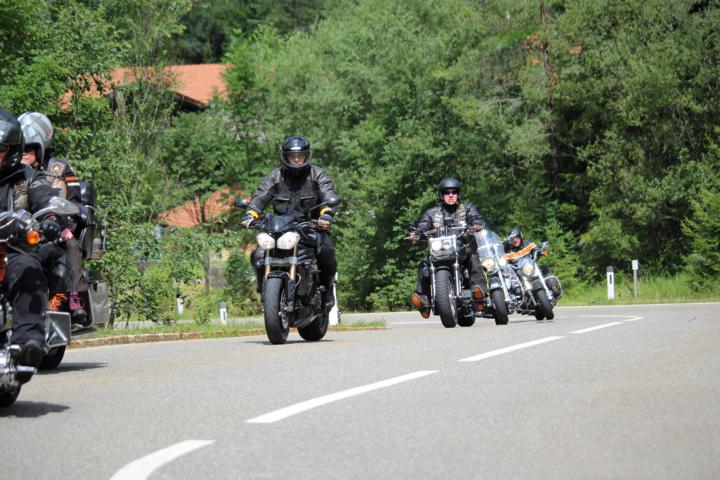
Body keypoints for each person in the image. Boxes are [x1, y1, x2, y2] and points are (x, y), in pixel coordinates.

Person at [241, 135, 339, 307]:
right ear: (285, 157)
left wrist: (326, 215)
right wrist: (251, 213)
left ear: (306, 155)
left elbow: (328, 194)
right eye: (292, 156)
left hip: (311, 228)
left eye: (300, 155)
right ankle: (265, 289)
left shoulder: (317, 174)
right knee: (257, 255)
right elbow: (261, 196)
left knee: (327, 251)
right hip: (281, 230)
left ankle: (328, 290)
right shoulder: (275, 176)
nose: (296, 159)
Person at [0, 109, 62, 380]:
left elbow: (45, 198)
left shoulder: (25, 177)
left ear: (13, 150)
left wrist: (50, 218)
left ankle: (28, 344)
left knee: (29, 270)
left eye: (0, 149)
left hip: (11, 249)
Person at [18, 111, 88, 325]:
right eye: (21, 148)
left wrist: (64, 226)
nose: (24, 153)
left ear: (41, 147)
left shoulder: (59, 168)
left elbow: (75, 203)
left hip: (55, 227)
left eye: (29, 149)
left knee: (71, 245)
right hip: (20, 228)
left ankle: (72, 297)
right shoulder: (13, 172)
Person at [409, 177, 486, 318]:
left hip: (461, 247)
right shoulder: (432, 213)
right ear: (441, 195)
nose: (450, 195)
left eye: (453, 192)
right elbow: (423, 225)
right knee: (424, 264)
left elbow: (475, 217)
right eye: (447, 192)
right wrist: (416, 233)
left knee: (473, 258)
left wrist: (476, 224)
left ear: (458, 194)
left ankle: (478, 293)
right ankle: (424, 300)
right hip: (439, 250)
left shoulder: (467, 209)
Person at [503, 227, 560, 295]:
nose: (515, 240)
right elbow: (502, 260)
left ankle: (553, 287)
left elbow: (536, 249)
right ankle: (516, 292)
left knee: (544, 268)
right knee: (509, 277)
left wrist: (541, 252)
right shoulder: (507, 250)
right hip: (518, 273)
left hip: (531, 267)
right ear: (509, 240)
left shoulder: (527, 243)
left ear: (520, 236)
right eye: (512, 238)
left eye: (517, 237)